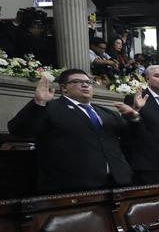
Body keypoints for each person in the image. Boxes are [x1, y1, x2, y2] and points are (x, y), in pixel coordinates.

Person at [8, 70, 136, 193]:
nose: (85, 85)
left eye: (88, 82)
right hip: (72, 186)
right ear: (64, 88)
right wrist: (39, 103)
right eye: (77, 82)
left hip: (117, 183)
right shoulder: (50, 108)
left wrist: (134, 117)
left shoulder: (108, 113)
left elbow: (131, 139)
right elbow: (19, 131)